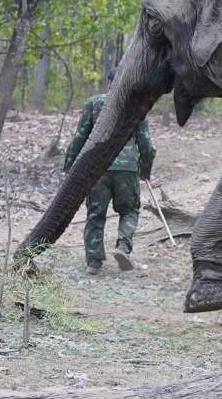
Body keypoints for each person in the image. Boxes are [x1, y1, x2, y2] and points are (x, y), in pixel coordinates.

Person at [64, 68, 155, 274]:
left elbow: (79, 138)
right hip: (127, 168)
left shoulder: (94, 103)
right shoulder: (138, 106)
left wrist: (70, 166)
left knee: (96, 213)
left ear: (109, 84)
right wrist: (145, 169)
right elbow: (146, 144)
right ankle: (123, 247)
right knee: (129, 210)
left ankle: (94, 262)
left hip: (98, 168)